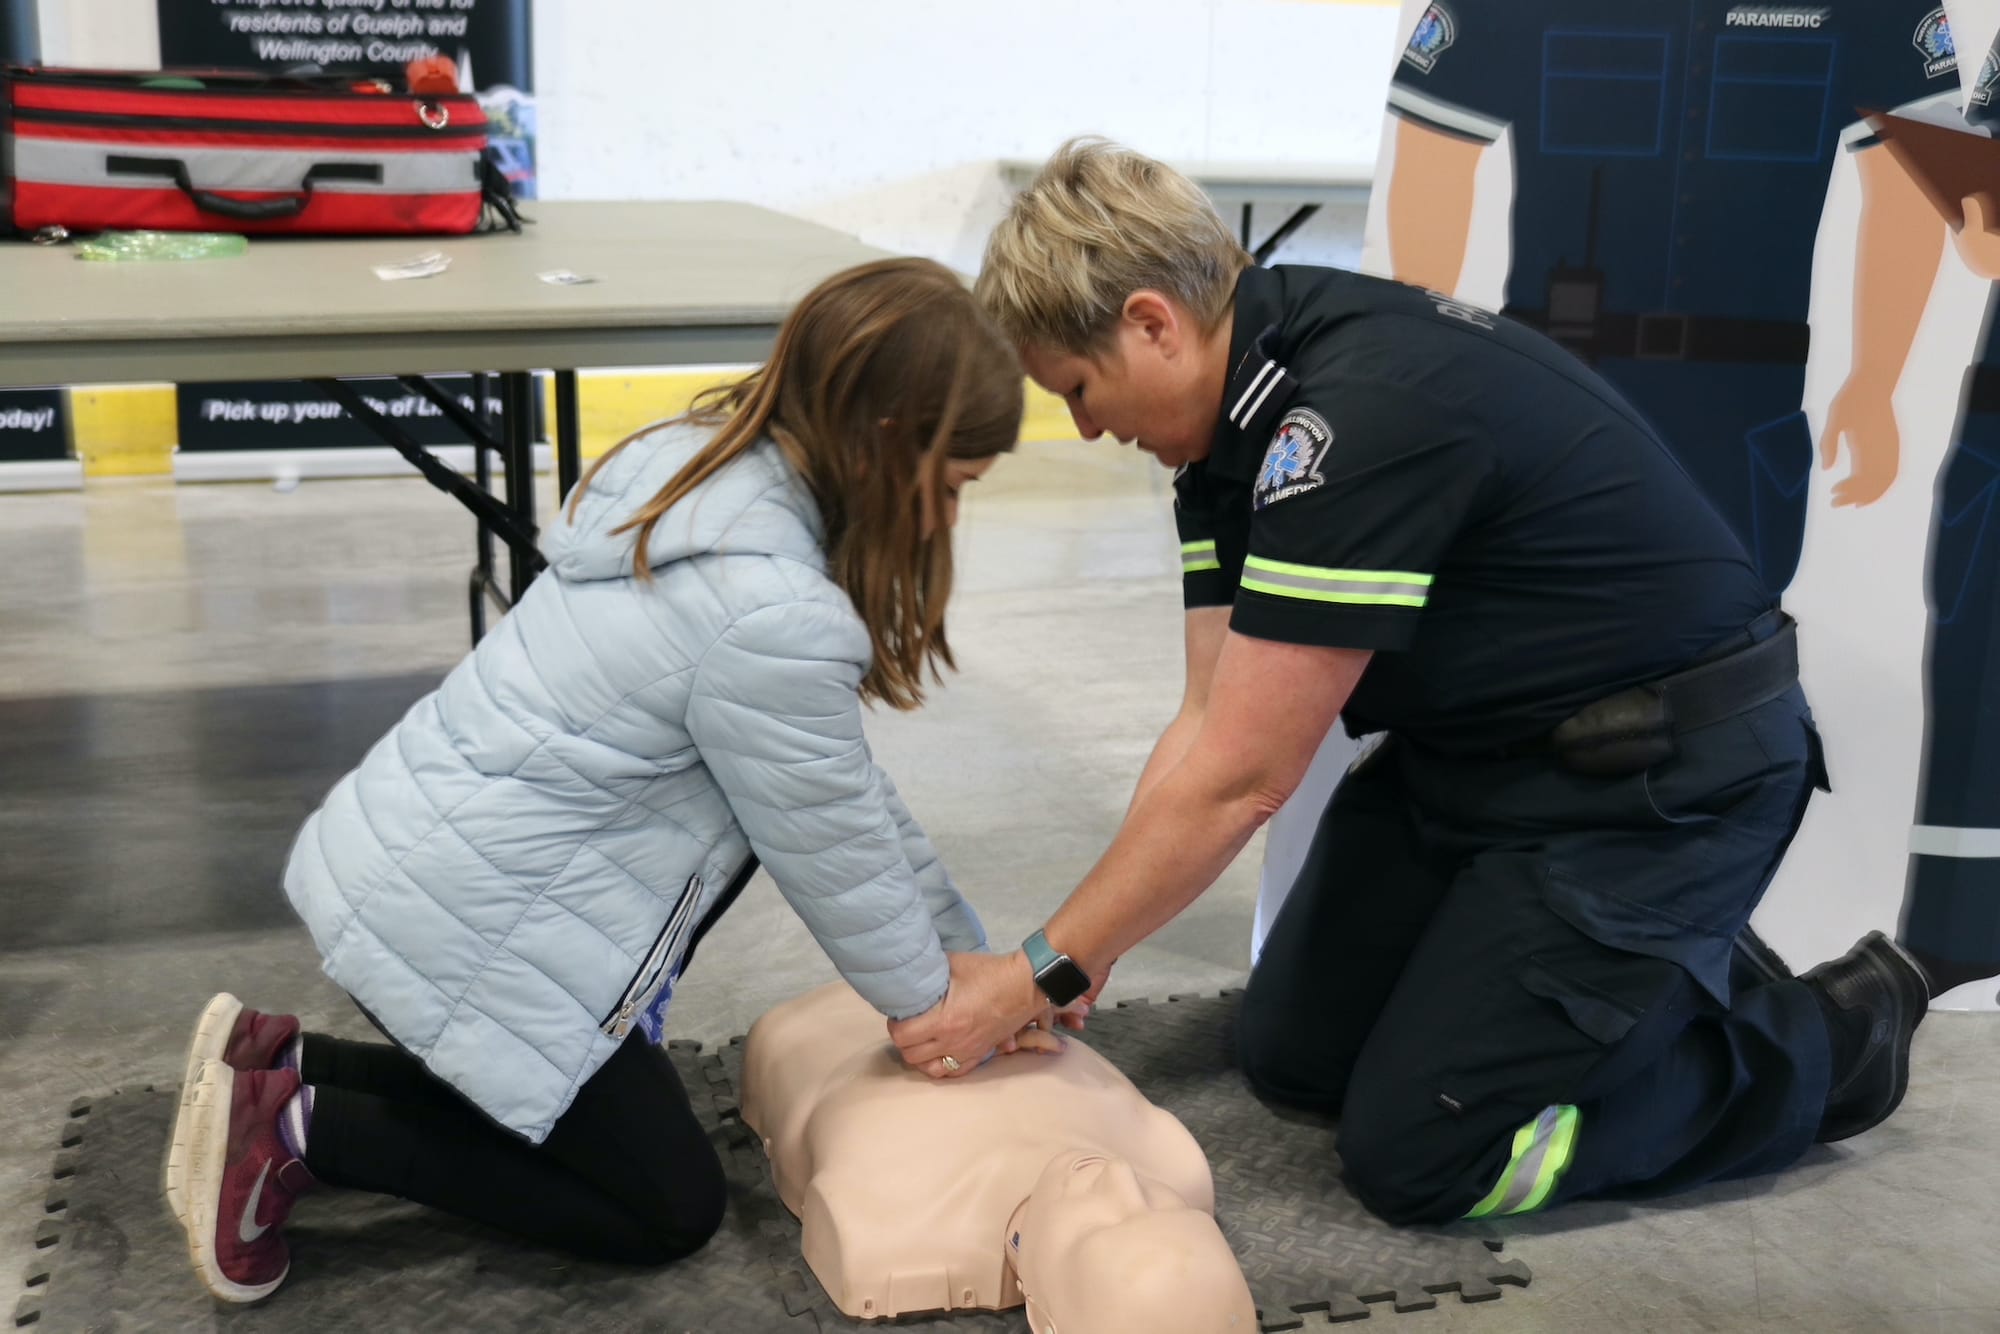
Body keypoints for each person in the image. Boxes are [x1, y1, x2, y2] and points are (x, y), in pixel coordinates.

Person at [889, 139, 1933, 1227]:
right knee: (1291, 1059)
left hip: (1650, 793)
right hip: (1475, 765)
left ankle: (1817, 1045)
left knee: (1429, 1153)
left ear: (1152, 322)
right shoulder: (1221, 435)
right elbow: (1204, 721)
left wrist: (1038, 970)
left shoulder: (1355, 415)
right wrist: (1078, 949)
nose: (1087, 426)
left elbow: (1243, 777)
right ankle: (1641, 978)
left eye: (1078, 388)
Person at [163, 256, 1027, 1303]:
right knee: (661, 1203)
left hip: (415, 872)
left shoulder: (697, 481)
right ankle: (298, 1131)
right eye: (951, 485)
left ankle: (289, 1062)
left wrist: (975, 958)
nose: (942, 520)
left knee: (560, 1102)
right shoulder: (768, 617)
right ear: (890, 440)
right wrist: (939, 1006)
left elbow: (844, 795)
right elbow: (833, 851)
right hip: (468, 920)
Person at [739, 980, 1256, 1331]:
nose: (1120, 1176)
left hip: (814, 1035)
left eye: (1102, 1228)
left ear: (1044, 1322)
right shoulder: (1172, 1164)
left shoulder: (884, 1225)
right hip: (972, 998)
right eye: (1164, 1209)